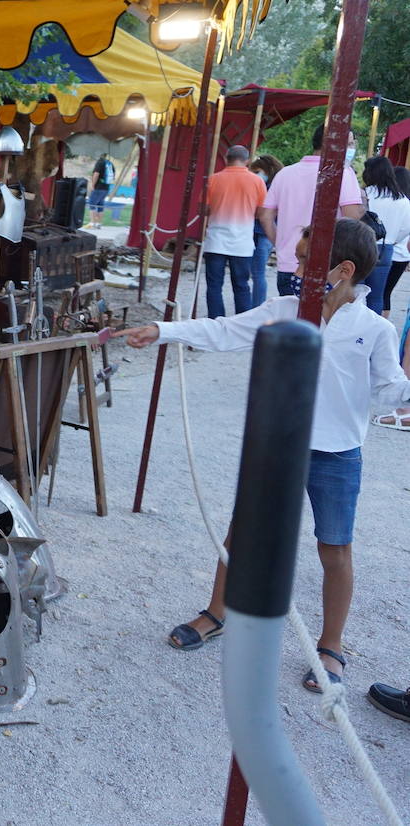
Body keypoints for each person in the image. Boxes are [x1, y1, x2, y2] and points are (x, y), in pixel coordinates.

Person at [118, 219, 410, 691]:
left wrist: (407, 391)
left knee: (335, 548)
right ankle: (218, 612)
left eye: (304, 259)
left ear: (343, 269)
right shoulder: (285, 309)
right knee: (243, 532)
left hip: (337, 455)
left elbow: (388, 387)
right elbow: (223, 330)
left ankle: (330, 645)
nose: (292, 265)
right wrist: (162, 329)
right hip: (278, 445)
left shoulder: (373, 328)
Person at [256, 124, 365, 297]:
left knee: (291, 320)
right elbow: (351, 218)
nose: (352, 149)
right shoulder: (342, 173)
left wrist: (281, 243)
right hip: (327, 268)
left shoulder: (285, 174)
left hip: (288, 264)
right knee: (321, 322)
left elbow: (264, 215)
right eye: (349, 144)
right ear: (333, 144)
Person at [201, 145, 266, 316]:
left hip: (215, 241)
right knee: (242, 286)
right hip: (242, 243)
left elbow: (205, 210)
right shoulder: (257, 181)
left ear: (225, 158)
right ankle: (241, 323)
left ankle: (216, 323)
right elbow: (260, 212)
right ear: (247, 161)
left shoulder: (213, 179)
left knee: (214, 286)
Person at [361, 156, 410, 314]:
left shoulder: (365, 194)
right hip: (386, 249)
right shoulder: (402, 200)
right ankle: (373, 333)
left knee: (356, 293)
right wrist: (393, 239)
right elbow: (406, 228)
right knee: (377, 297)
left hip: (361, 247)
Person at [248, 154, 283, 304]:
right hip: (260, 233)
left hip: (263, 234)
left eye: (257, 172)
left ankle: (256, 307)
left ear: (267, 170)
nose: (256, 176)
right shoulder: (272, 186)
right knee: (256, 273)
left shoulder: (272, 188)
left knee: (258, 273)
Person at [87, 154, 114, 227]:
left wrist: (93, 185)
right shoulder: (110, 163)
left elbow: (96, 174)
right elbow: (113, 176)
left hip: (98, 187)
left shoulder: (100, 162)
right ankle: (99, 223)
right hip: (106, 187)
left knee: (92, 203)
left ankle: (92, 223)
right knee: (100, 205)